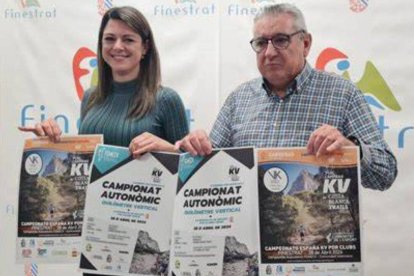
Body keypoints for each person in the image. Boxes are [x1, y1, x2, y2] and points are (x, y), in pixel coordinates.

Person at [176, 3, 397, 191]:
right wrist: (191, 149)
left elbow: (384, 174)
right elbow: (210, 171)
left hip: (316, 235)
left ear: (306, 44)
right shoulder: (239, 99)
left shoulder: (342, 94)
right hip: (247, 237)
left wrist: (351, 149)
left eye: (281, 40)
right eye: (261, 43)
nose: (269, 53)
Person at [19, 6, 188, 158]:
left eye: (128, 39)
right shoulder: (91, 97)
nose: (117, 46)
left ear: (145, 47)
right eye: (109, 39)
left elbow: (187, 168)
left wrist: (169, 149)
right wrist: (51, 142)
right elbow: (83, 163)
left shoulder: (166, 99)